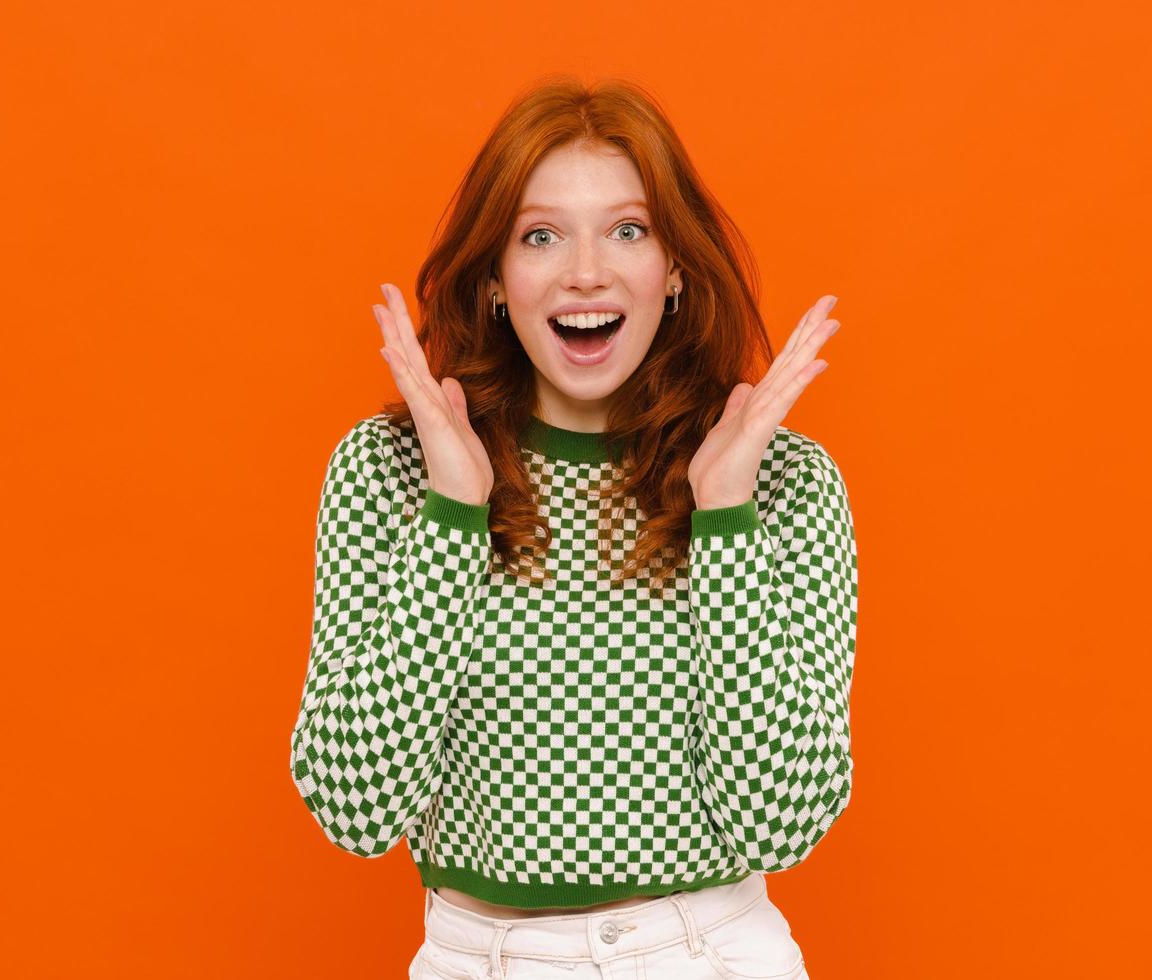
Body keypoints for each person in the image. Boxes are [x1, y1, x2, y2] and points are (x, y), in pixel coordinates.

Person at [291, 75, 854, 980]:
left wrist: (728, 524)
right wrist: (452, 513)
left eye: (628, 230)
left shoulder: (780, 482)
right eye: (541, 235)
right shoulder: (392, 471)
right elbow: (356, 811)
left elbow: (781, 822)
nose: (585, 271)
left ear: (673, 269)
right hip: (480, 959)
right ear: (493, 279)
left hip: (706, 954)